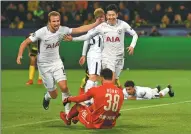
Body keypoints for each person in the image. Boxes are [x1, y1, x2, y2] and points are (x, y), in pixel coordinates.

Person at [16, 11, 102, 114]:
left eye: (58, 21)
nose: (56, 23)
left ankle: (67, 111)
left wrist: (96, 24)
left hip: (56, 62)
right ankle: (48, 95)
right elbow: (25, 42)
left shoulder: (62, 30)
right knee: (54, 94)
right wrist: (20, 55)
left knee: (64, 87)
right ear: (49, 22)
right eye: (54, 21)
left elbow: (79, 29)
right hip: (44, 65)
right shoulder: (41, 32)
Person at [64, 4, 138, 88]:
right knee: (111, 80)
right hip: (108, 57)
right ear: (106, 15)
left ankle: (96, 87)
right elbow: (88, 36)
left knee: (113, 81)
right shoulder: (101, 27)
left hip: (120, 57)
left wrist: (132, 46)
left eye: (113, 15)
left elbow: (135, 34)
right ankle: (95, 91)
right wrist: (73, 39)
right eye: (109, 15)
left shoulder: (123, 24)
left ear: (117, 15)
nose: (111, 17)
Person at [60, 68, 124, 129]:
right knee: (93, 106)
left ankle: (67, 118)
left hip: (94, 123)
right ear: (112, 77)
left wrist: (68, 99)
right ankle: (76, 118)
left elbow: (79, 99)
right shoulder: (120, 92)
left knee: (78, 106)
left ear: (101, 77)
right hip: (110, 125)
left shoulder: (96, 90)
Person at [78, 8, 105, 105]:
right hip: (95, 55)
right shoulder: (100, 28)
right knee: (93, 77)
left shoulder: (92, 28)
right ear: (101, 17)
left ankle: (92, 99)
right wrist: (83, 55)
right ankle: (86, 99)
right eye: (103, 17)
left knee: (96, 77)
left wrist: (83, 55)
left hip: (92, 55)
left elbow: (86, 41)